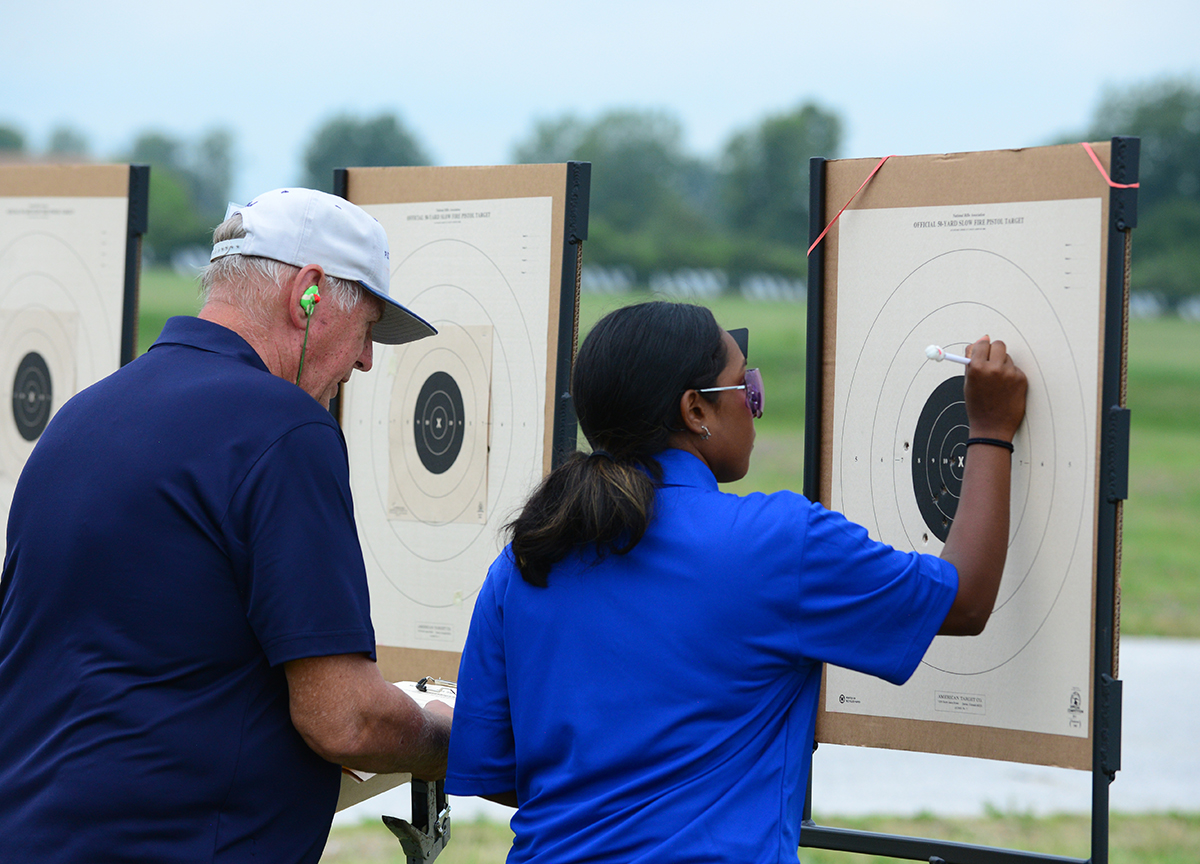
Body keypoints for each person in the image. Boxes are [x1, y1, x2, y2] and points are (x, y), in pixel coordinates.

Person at [445, 300, 1027, 863]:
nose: (756, 404)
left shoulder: (527, 558)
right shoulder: (778, 542)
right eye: (745, 388)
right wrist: (991, 428)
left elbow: (498, 773)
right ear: (696, 410)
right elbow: (966, 599)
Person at [0, 188, 453, 863]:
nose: (364, 361)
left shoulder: (81, 417)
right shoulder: (286, 428)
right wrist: (455, 731)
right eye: (367, 326)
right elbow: (345, 720)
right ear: (309, 292)